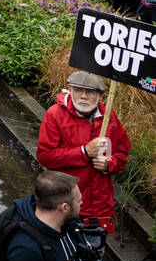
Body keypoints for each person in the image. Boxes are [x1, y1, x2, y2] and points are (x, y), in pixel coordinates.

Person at [35, 70, 130, 233]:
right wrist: (84, 152)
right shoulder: (55, 115)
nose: (83, 96)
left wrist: (109, 164)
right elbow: (45, 156)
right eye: (78, 90)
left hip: (99, 210)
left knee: (93, 256)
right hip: (65, 205)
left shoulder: (109, 117)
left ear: (100, 95)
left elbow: (122, 152)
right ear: (70, 90)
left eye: (90, 92)